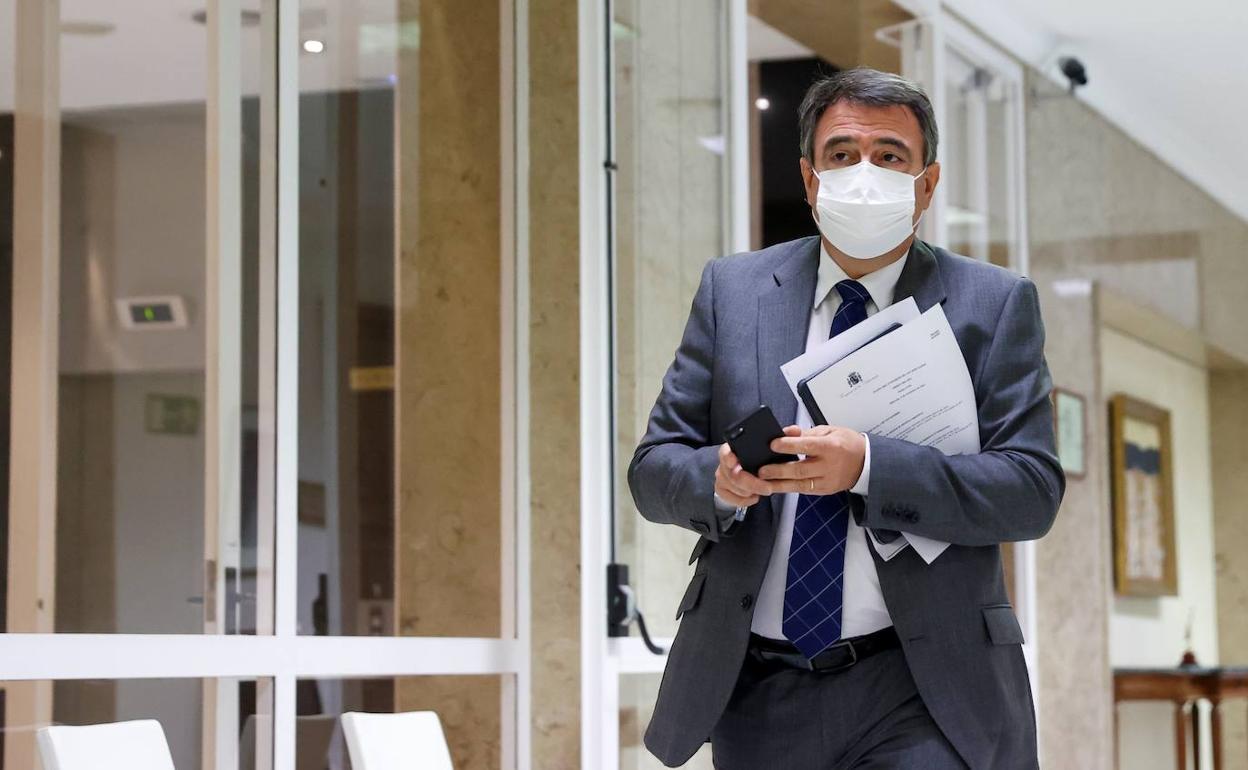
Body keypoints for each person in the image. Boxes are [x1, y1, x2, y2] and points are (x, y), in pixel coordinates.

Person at [628, 67, 1065, 769]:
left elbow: (1031, 490)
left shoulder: (993, 304)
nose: (864, 174)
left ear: (926, 184)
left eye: (890, 155)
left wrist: (869, 466)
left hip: (921, 685)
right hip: (757, 686)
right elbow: (653, 470)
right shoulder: (732, 292)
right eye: (841, 154)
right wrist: (720, 480)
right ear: (809, 179)